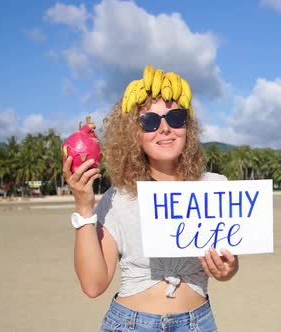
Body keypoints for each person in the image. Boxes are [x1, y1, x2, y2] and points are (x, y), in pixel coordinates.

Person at [63, 65, 238, 331]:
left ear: (187, 127)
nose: (165, 128)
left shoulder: (215, 186)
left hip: (198, 323)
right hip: (130, 324)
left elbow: (228, 263)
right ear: (135, 133)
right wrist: (84, 207)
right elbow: (93, 285)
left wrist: (228, 270)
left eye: (176, 118)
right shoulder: (118, 198)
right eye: (150, 121)